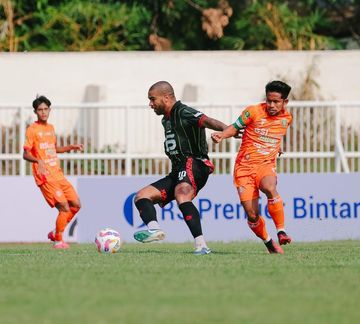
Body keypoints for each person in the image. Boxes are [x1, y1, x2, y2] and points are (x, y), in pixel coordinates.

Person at [133, 81, 227, 255]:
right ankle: (154, 230)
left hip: (195, 162)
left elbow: (208, 121)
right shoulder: (165, 120)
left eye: (153, 99)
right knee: (141, 196)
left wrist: (226, 131)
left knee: (182, 194)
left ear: (167, 97)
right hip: (178, 169)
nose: (150, 104)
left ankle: (201, 245)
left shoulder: (183, 111)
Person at [211, 80, 293, 254]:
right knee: (252, 215)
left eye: (276, 102)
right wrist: (222, 135)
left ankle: (281, 231)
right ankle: (269, 243)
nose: (271, 105)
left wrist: (277, 147)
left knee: (269, 187)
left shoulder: (287, 118)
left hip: (265, 165)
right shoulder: (253, 111)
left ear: (285, 102)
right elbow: (235, 127)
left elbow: (275, 134)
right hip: (244, 169)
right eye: (269, 100)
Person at [23, 95, 83, 249]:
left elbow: (53, 149)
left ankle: (55, 232)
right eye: (40, 110)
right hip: (45, 176)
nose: (43, 112)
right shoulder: (32, 130)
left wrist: (70, 147)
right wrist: (38, 161)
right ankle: (58, 240)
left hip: (58, 174)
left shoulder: (50, 128)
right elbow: (26, 154)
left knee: (76, 205)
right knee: (64, 207)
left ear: (49, 110)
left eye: (45, 109)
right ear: (36, 112)